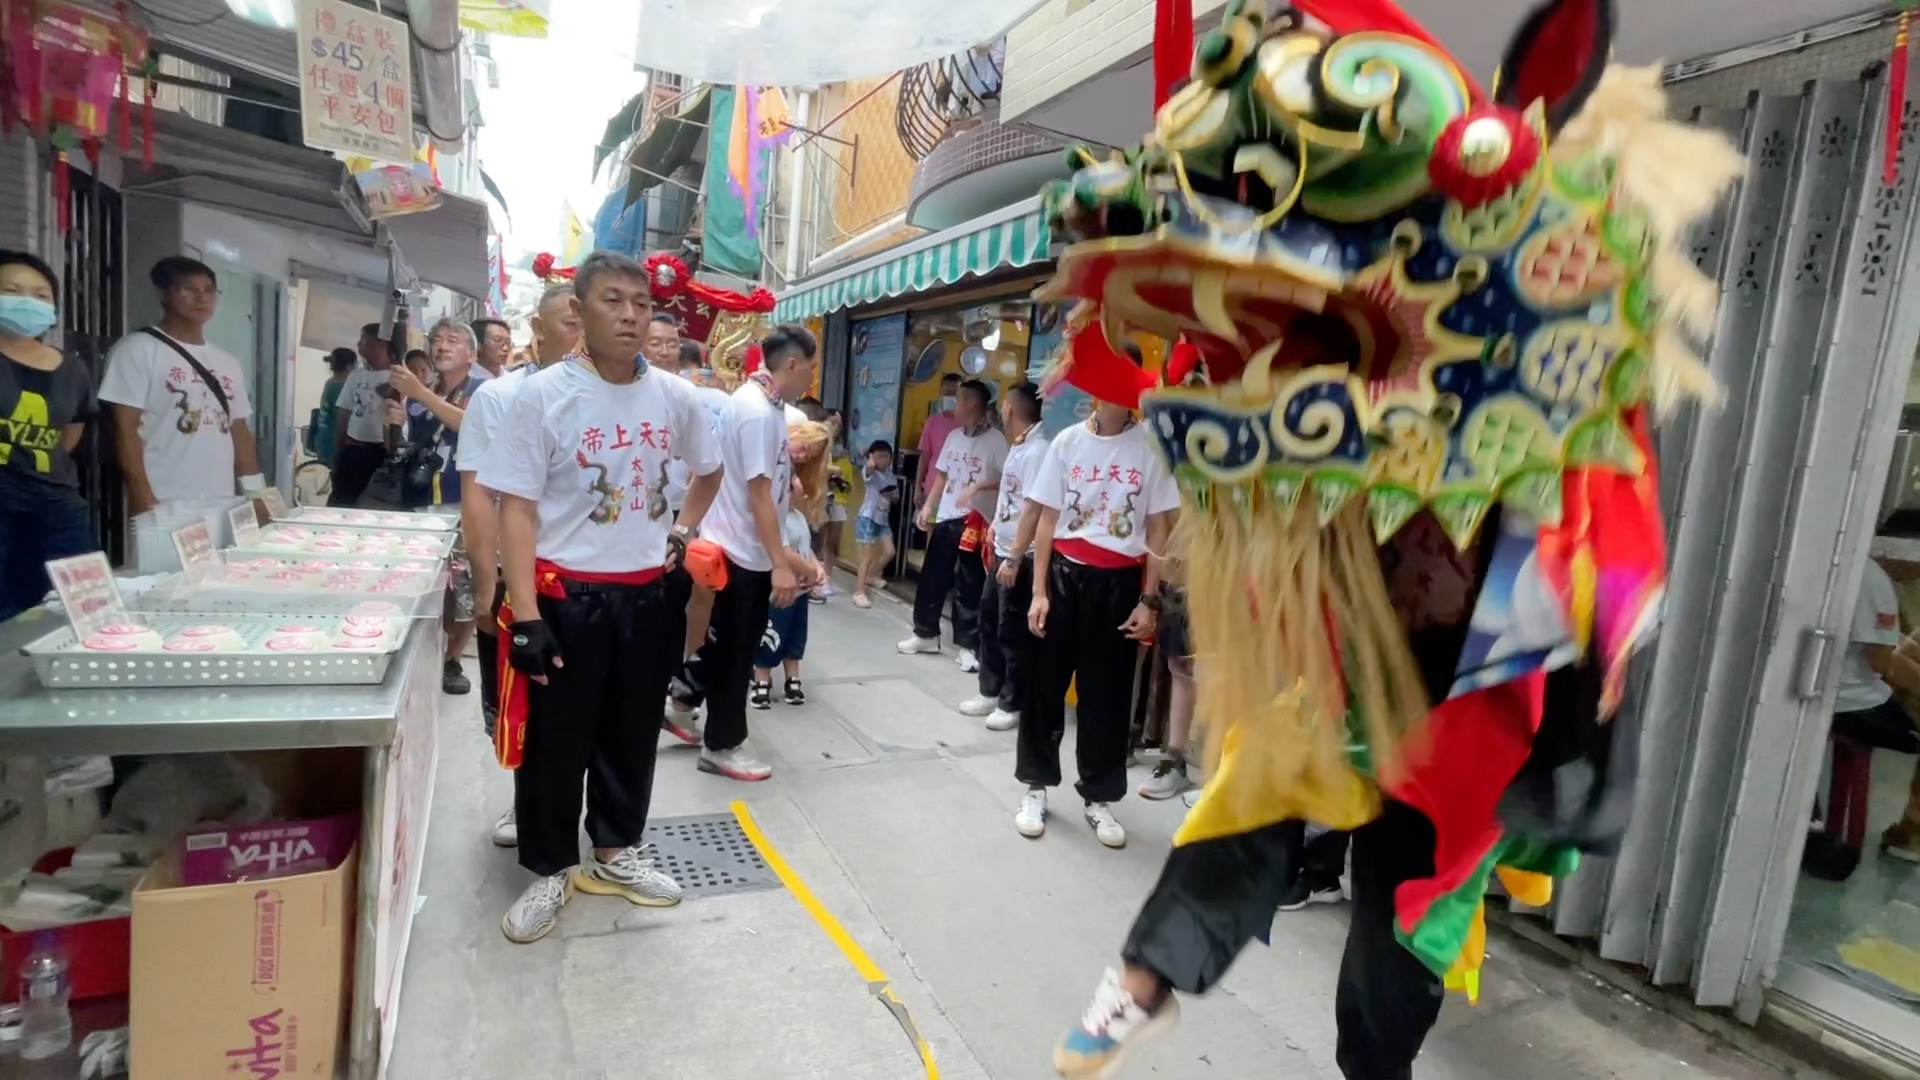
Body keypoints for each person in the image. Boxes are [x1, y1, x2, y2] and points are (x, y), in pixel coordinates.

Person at [479, 250, 723, 944]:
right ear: (578, 311)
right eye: (612, 300)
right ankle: (550, 869)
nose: (630, 315)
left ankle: (616, 851)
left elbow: (708, 471)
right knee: (556, 742)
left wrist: (683, 528)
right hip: (564, 597)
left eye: (641, 303)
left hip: (647, 598)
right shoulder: (543, 395)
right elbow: (516, 509)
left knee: (629, 731)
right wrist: (524, 616)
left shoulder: (676, 398)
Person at [1015, 347, 1178, 850]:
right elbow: (1046, 520)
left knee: (1105, 697)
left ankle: (1099, 797)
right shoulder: (1066, 443)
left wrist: (1148, 601)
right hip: (1065, 574)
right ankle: (1035, 787)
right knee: (1044, 686)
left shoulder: (1151, 447)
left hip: (1119, 584)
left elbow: (1157, 528)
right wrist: (1039, 591)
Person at [459, 280, 583, 849]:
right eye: (569, 322)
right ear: (538, 327)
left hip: (585, 581)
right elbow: (480, 494)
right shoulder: (501, 397)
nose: (583, 334)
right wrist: (488, 581)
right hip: (522, 579)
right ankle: (524, 802)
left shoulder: (610, 397)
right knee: (516, 698)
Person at [669, 324, 820, 782]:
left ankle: (682, 697)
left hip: (742, 546)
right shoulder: (756, 411)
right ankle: (722, 745)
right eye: (810, 369)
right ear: (791, 364)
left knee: (726, 645)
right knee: (737, 656)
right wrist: (781, 564)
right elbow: (759, 495)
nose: (810, 379)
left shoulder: (765, 406)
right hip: (743, 552)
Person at [100, 256, 262, 513]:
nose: (202, 298)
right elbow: (125, 430)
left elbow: (239, 431)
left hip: (222, 503)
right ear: (163, 294)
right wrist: (143, 497)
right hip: (163, 503)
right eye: (189, 289)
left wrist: (256, 494)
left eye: (209, 290)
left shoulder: (227, 361)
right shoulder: (136, 350)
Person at [0, 251, 96, 623]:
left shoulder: (73, 369)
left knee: (67, 610)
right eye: (12, 290)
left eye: (40, 295)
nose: (27, 302)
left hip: (57, 510)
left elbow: (69, 435)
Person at [389, 320, 482, 695]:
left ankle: (453, 658)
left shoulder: (484, 390)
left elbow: (471, 425)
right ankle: (424, 654)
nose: (442, 347)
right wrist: (395, 424)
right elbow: (407, 447)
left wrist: (420, 396)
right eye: (437, 341)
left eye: (453, 341)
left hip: (464, 501)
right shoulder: (422, 391)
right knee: (424, 585)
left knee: (466, 587)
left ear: (471, 355)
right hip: (421, 501)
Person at [958, 381, 1047, 732]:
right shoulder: (1020, 445)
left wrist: (1014, 557)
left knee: (1012, 631)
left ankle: (1012, 702)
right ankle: (990, 691)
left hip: (1020, 555)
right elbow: (1010, 498)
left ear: (1010, 408)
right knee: (989, 621)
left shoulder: (1038, 450)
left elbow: (1033, 509)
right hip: (1002, 548)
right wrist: (995, 524)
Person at [900, 379, 1007, 670]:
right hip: (947, 517)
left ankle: (968, 645)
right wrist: (929, 508)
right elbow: (943, 476)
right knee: (933, 576)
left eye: (958, 400)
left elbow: (1009, 480)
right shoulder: (954, 437)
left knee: (968, 584)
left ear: (972, 403)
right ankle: (925, 633)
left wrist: (980, 489)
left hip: (975, 521)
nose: (954, 406)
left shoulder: (996, 440)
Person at [753, 421, 831, 707]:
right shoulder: (777, 510)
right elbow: (781, 548)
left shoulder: (796, 517)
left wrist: (815, 568)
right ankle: (761, 679)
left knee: (794, 639)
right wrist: (809, 569)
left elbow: (804, 550)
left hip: (799, 591)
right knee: (771, 633)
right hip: (776, 584)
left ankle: (791, 679)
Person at [329, 323, 394, 506]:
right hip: (354, 448)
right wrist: (340, 445)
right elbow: (344, 410)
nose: (358, 345)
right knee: (344, 500)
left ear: (380, 344)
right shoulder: (356, 375)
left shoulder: (397, 377)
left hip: (383, 452)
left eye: (363, 341)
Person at [851, 440, 898, 609]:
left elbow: (895, 497)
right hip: (867, 517)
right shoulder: (869, 471)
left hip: (883, 519)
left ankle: (870, 576)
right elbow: (869, 469)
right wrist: (869, 460)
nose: (883, 460)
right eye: (879, 456)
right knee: (867, 556)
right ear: (872, 457)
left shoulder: (891, 476)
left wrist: (891, 495)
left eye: (886, 456)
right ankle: (859, 592)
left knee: (890, 551)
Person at [915, 372, 961, 498]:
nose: (950, 396)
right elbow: (924, 457)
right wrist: (918, 488)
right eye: (947, 393)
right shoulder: (932, 421)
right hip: (931, 489)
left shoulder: (967, 424)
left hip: (957, 493)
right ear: (940, 393)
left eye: (954, 393)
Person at [307, 347, 356, 463]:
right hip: (334, 443)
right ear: (349, 367)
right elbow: (343, 417)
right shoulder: (342, 388)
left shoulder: (330, 382)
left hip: (322, 439)